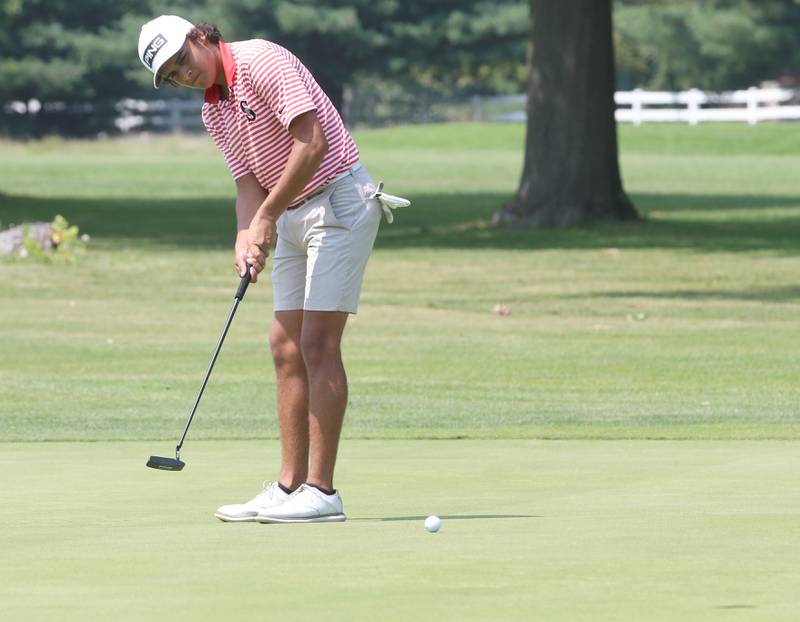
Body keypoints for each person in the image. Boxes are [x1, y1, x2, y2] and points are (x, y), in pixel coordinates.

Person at [137, 15, 408, 523]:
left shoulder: (262, 60)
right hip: (289, 213)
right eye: (171, 74)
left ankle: (322, 492)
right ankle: (288, 488)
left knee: (317, 343)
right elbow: (247, 183)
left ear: (201, 36)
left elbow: (312, 144)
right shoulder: (213, 109)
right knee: (284, 345)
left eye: (182, 61)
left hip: (340, 202)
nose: (183, 75)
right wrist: (246, 235)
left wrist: (264, 217)